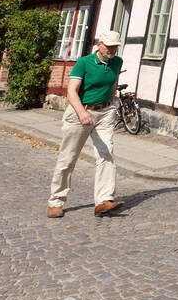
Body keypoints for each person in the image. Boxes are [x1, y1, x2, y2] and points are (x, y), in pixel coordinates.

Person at [47, 30, 125, 218]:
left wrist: (113, 104)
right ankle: (56, 201)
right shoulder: (84, 63)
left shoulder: (117, 62)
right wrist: (82, 112)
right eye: (109, 46)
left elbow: (113, 84)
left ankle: (104, 200)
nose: (112, 50)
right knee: (68, 158)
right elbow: (71, 91)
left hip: (105, 113)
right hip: (80, 112)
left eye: (115, 47)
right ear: (99, 44)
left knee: (106, 154)